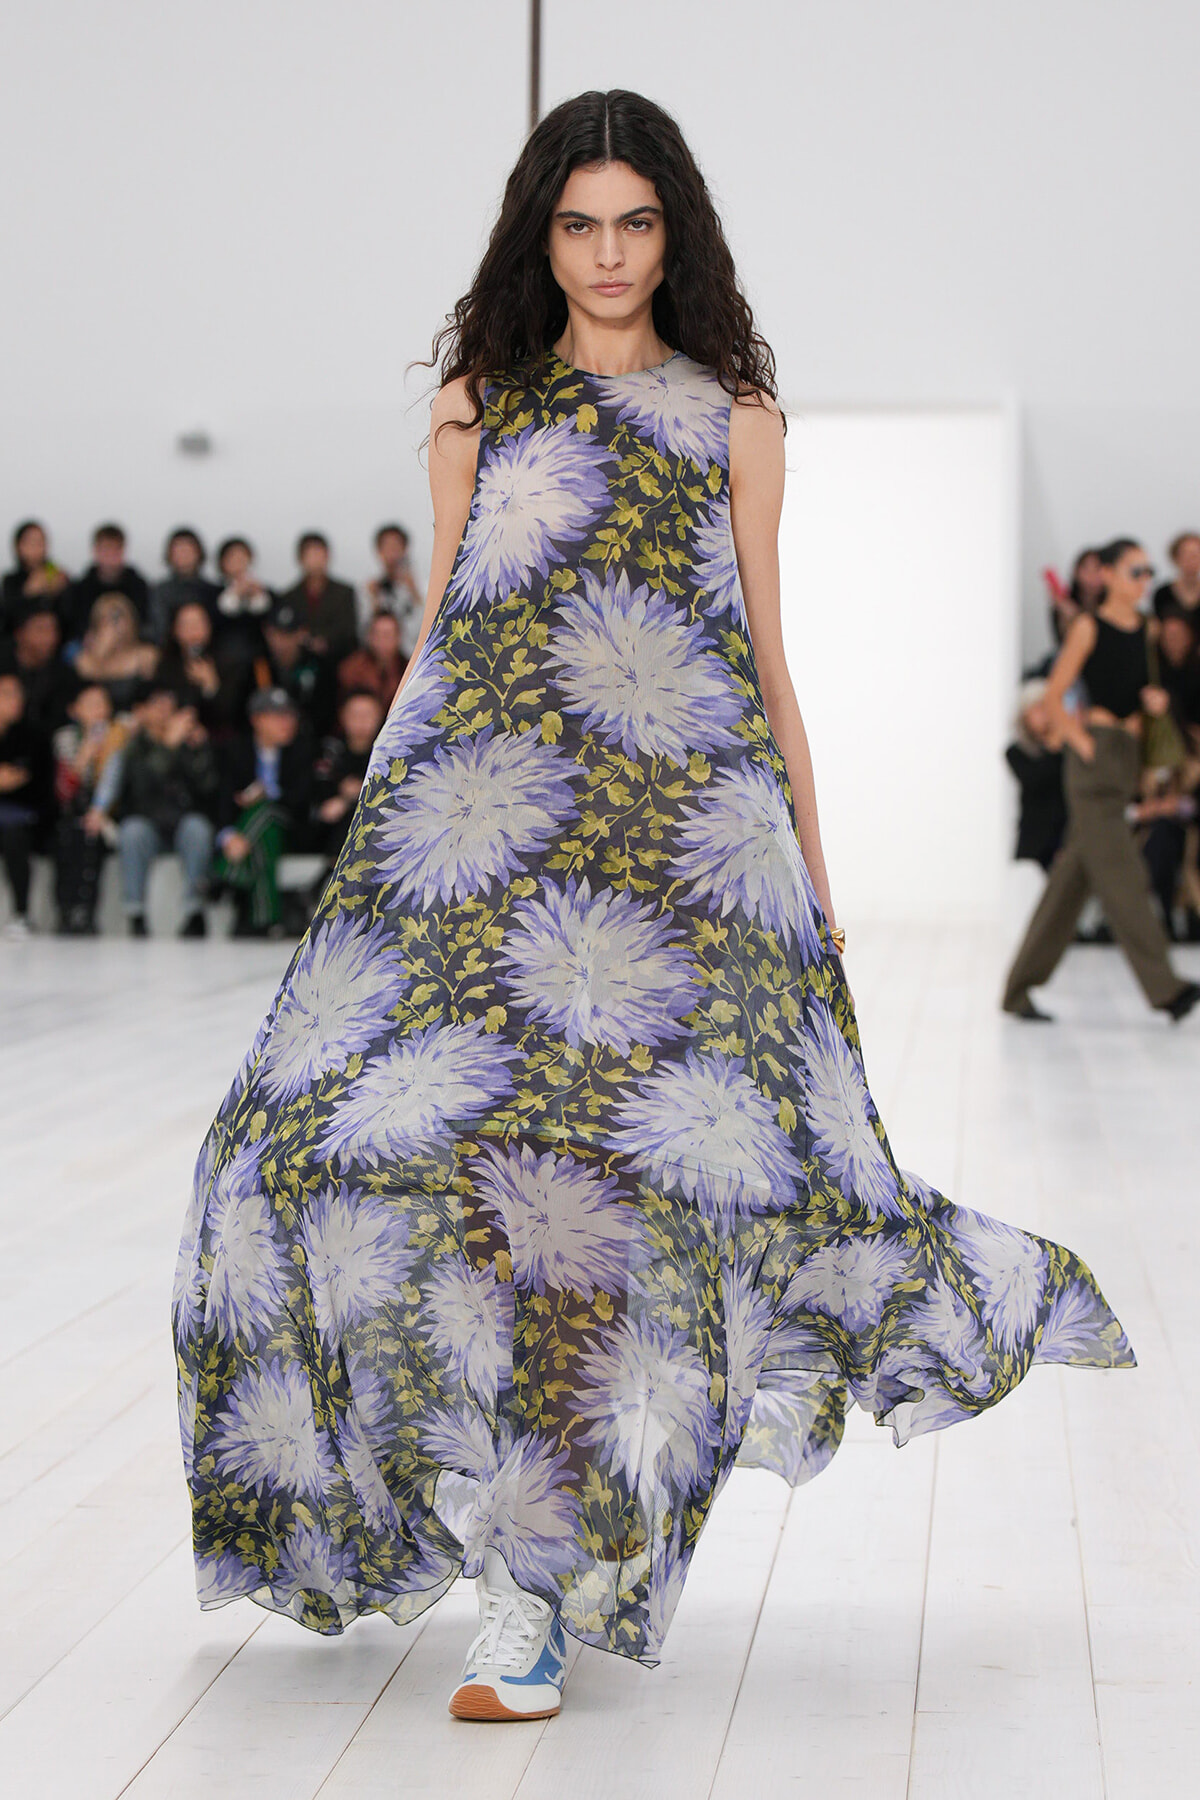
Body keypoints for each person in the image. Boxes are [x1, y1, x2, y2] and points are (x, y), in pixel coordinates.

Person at [173, 89, 1136, 1726]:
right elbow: (443, 648)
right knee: (314, 1147)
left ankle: (530, 1598)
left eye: (636, 223)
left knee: (617, 1206)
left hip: (691, 863)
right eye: (580, 224)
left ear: (671, 231)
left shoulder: (731, 415)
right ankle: (487, 1527)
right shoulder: (481, 403)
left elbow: (765, 659)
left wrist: (817, 881)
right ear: (537, 233)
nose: (611, 255)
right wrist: (372, 863)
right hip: (488, 855)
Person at [1002, 537, 1200, 1021]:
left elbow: (1144, 689)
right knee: (1125, 877)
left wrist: (1153, 704)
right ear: (1107, 575)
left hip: (1126, 758)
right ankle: (1166, 989)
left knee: (1068, 888)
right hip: (1094, 763)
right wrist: (1081, 740)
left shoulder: (1149, 629)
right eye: (1135, 571)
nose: (1144, 582)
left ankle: (1017, 991)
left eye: (1148, 573)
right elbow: (1054, 695)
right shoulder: (1089, 627)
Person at [95, 682, 218, 937]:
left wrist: (201, 751)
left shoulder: (189, 743)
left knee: (197, 828)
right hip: (147, 823)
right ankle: (136, 912)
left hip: (182, 823)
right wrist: (169, 746)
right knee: (132, 831)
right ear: (142, 711)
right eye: (157, 705)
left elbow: (208, 787)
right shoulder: (133, 748)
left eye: (169, 706)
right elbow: (143, 785)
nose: (164, 711)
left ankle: (194, 910)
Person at [212, 688, 313, 938]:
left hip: (292, 827)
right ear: (256, 719)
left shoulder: (301, 750)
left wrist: (267, 793)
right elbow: (222, 799)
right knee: (264, 832)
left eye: (289, 716)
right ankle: (263, 920)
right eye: (277, 716)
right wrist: (228, 836)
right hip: (257, 834)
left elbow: (301, 802)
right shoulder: (236, 750)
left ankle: (226, 874)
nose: (286, 723)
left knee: (266, 810)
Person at [52, 683, 129, 934]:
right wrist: (84, 757)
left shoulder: (118, 735)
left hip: (107, 813)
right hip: (73, 810)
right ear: (75, 710)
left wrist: (99, 810)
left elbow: (113, 782)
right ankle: (66, 909)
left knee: (90, 838)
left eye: (102, 704)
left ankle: (86, 910)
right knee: (68, 836)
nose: (98, 710)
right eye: (90, 704)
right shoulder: (65, 737)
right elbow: (64, 790)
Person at [0, 671, 53, 938]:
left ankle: (21, 912)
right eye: (6, 694)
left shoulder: (34, 736)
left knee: (13, 833)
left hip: (26, 816)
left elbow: (39, 786)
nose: (15, 700)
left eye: (18, 694)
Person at [157, 601, 247, 744]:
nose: (193, 630)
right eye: (186, 624)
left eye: (199, 623)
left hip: (216, 740)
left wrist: (211, 685)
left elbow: (231, 715)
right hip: (175, 734)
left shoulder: (228, 663)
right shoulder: (166, 666)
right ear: (175, 630)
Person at [310, 688, 386, 857]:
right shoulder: (329, 751)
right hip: (326, 839)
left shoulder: (389, 753)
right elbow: (318, 797)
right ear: (343, 716)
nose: (361, 721)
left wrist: (356, 793)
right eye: (355, 715)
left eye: (368, 714)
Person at [61, 523, 151, 647]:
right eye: (105, 549)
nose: (110, 555)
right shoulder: (80, 589)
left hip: (130, 645)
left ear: (123, 551)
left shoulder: (139, 586)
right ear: (95, 551)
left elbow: (146, 622)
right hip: (91, 646)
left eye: (115, 549)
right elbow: (74, 624)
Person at [0, 601, 78, 736]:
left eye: (54, 629)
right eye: (41, 629)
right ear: (19, 633)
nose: (50, 637)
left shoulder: (64, 674)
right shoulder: (3, 662)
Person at [278, 532, 358, 663]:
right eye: (310, 554)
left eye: (319, 553)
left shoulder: (344, 592)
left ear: (327, 556)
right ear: (300, 559)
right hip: (301, 660)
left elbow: (348, 630)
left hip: (339, 659)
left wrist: (324, 641)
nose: (315, 560)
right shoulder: (289, 596)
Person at [72, 593, 159, 713]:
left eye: (118, 617)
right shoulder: (84, 660)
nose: (114, 625)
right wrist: (100, 654)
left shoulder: (147, 655)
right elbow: (87, 694)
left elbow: (152, 695)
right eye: (105, 619)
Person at [147, 528, 223, 646]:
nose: (183, 555)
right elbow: (157, 628)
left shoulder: (213, 590)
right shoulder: (159, 591)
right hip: (169, 651)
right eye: (178, 550)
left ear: (198, 553)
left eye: (188, 550)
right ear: (170, 555)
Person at [0, 520, 70, 642]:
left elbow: (68, 617)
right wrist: (28, 592)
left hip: (55, 640)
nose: (36, 548)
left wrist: (59, 591)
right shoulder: (11, 580)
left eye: (40, 542)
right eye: (31, 542)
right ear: (19, 546)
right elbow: (8, 618)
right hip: (20, 643)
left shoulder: (54, 572)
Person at [212, 536, 273, 671]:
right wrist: (235, 594)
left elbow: (270, 620)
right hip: (224, 660)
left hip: (258, 661)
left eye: (242, 557)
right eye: (232, 558)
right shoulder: (212, 592)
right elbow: (215, 619)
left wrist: (257, 596)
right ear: (222, 563)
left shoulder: (264, 591)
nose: (238, 562)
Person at [363, 523, 423, 655]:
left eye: (396, 546)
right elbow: (364, 631)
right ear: (378, 551)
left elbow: (426, 626)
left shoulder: (420, 585)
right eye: (386, 546)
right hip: (378, 656)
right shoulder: (371, 587)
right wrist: (373, 600)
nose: (391, 553)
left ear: (405, 550)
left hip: (412, 654)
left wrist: (414, 592)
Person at [336, 609, 406, 712]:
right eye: (377, 635)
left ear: (398, 637)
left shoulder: (410, 670)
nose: (382, 641)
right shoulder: (351, 668)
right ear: (369, 636)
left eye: (387, 635)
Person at [1152, 530, 1200, 625]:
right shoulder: (1162, 594)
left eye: (1196, 555)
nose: (1192, 560)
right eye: (1186, 555)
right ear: (1175, 557)